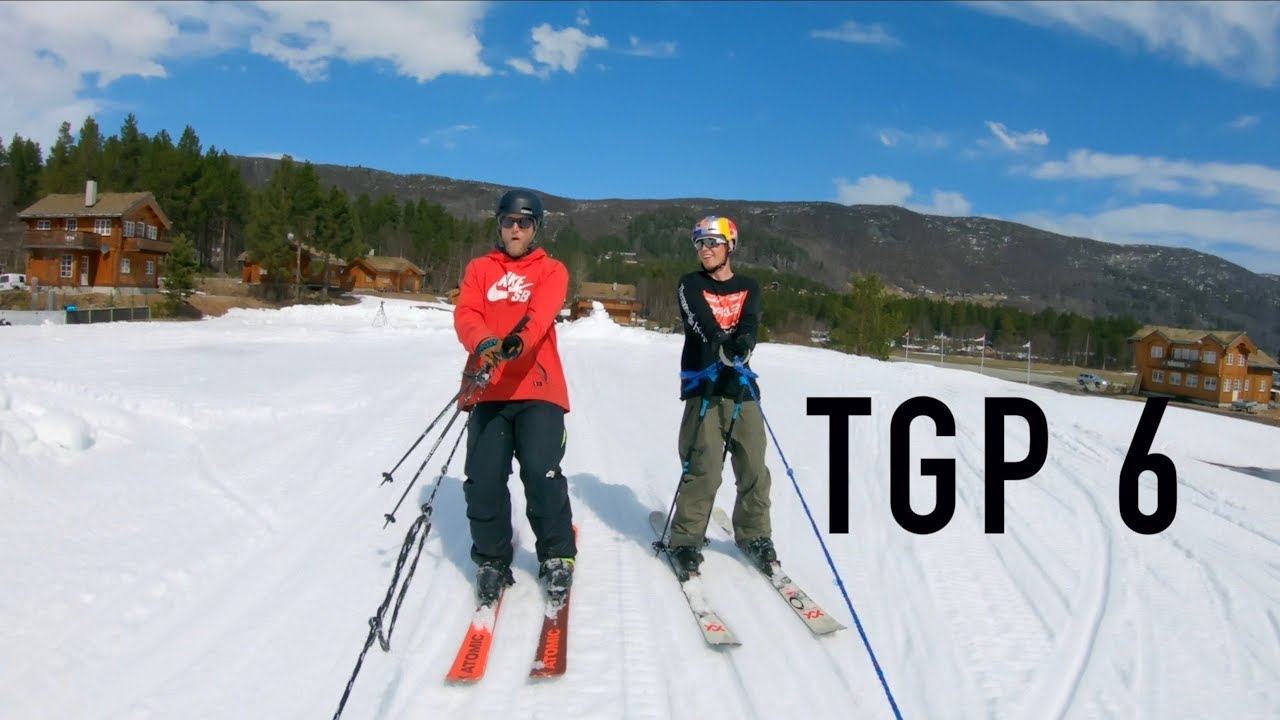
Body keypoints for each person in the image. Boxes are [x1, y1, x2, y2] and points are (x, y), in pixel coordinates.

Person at [453, 188, 576, 605]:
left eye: (524, 223)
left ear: (535, 228)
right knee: (483, 479)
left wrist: (516, 342)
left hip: (538, 387)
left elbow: (541, 314)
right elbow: (466, 313)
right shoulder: (479, 269)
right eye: (509, 221)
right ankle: (491, 559)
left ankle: (557, 555)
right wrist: (487, 342)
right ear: (500, 224)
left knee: (541, 472)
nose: (516, 229)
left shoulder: (552, 270)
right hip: (488, 388)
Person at [668, 215, 776, 578]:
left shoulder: (749, 286)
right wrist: (721, 343)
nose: (705, 249)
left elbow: (750, 322)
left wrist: (743, 344)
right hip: (704, 388)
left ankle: (755, 534)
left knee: (754, 467)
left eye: (713, 242)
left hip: (741, 390)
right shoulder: (690, 283)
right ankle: (685, 539)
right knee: (704, 467)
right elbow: (699, 321)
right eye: (699, 243)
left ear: (730, 245)